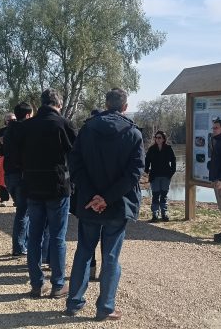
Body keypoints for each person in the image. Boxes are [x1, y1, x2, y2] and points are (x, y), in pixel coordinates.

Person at [65, 88, 144, 321]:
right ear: (125, 107)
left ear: (106, 103)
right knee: (110, 256)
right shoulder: (133, 133)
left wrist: (93, 197)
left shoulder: (87, 130)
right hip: (118, 205)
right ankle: (105, 307)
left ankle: (74, 302)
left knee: (84, 252)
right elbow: (134, 173)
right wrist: (107, 198)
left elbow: (75, 165)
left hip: (90, 203)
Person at [19, 89, 76, 299]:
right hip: (57, 186)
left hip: (32, 186)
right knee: (57, 237)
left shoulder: (26, 126)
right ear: (58, 104)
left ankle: (36, 284)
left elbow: (15, 156)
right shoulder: (64, 124)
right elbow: (75, 155)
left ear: (41, 104)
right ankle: (58, 284)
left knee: (34, 235)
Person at [2, 102, 37, 256]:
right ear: (28, 115)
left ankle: (23, 243)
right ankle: (20, 246)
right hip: (22, 174)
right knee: (23, 212)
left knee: (22, 210)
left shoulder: (8, 130)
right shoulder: (28, 131)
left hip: (9, 174)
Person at [144, 130, 177, 222]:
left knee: (163, 195)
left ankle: (164, 213)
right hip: (154, 176)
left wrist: (172, 172)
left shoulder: (168, 148)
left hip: (165, 176)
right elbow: (147, 161)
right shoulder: (151, 149)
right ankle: (155, 214)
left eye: (159, 138)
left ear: (163, 139)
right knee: (155, 195)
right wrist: (146, 171)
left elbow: (173, 161)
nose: (157, 139)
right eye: (156, 137)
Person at [0, 113, 15, 206]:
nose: (11, 122)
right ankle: (3, 198)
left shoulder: (19, 129)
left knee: (16, 178)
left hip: (16, 157)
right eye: (9, 120)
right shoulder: (2, 131)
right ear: (5, 121)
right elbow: (3, 142)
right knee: (2, 178)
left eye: (13, 120)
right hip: (4, 156)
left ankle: (16, 199)